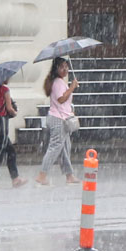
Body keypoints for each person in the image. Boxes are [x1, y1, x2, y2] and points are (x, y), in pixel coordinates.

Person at [37, 57, 78, 186]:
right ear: (56, 69)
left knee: (64, 148)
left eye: (66, 66)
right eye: (61, 67)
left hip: (61, 118)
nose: (65, 69)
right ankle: (42, 175)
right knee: (55, 148)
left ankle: (69, 175)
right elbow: (61, 99)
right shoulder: (58, 82)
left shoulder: (58, 82)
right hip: (58, 119)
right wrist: (72, 87)